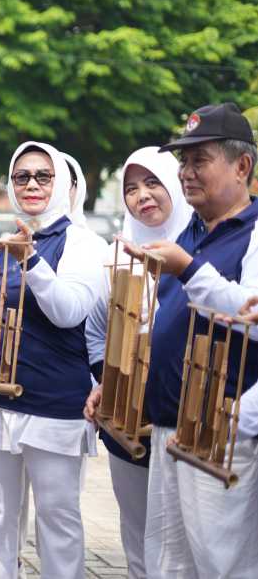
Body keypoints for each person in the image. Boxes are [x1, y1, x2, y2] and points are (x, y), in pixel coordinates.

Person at [0, 141, 107, 579]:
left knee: (57, 520)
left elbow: (68, 311)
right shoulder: (1, 245)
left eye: (43, 176)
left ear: (66, 183)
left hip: (54, 404)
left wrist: (30, 260)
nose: (31, 184)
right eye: (21, 176)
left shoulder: (85, 243)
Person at [126, 103, 258, 578]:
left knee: (221, 564)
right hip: (168, 423)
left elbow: (252, 315)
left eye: (199, 160)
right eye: (183, 162)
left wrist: (189, 268)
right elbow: (166, 322)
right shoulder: (194, 231)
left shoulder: (254, 231)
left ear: (241, 166)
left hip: (222, 429)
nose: (186, 173)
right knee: (168, 563)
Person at [81, 146, 192, 578]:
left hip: (186, 420)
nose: (142, 196)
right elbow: (94, 330)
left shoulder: (197, 251)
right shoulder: (116, 257)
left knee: (182, 540)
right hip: (127, 420)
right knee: (136, 530)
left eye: (152, 183)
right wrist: (107, 377)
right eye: (131, 188)